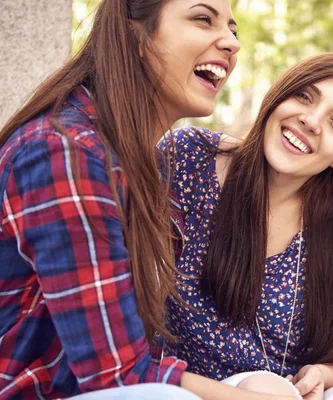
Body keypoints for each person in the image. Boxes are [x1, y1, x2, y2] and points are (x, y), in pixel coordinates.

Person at [0, 1, 299, 399]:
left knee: (277, 386)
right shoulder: (65, 151)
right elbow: (119, 377)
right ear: (134, 35)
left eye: (233, 29)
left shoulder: (148, 163)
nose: (231, 43)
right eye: (202, 19)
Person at [163, 53, 333, 399]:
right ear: (278, 96)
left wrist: (322, 374)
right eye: (304, 96)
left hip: (285, 389)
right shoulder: (190, 160)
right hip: (181, 385)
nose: (311, 121)